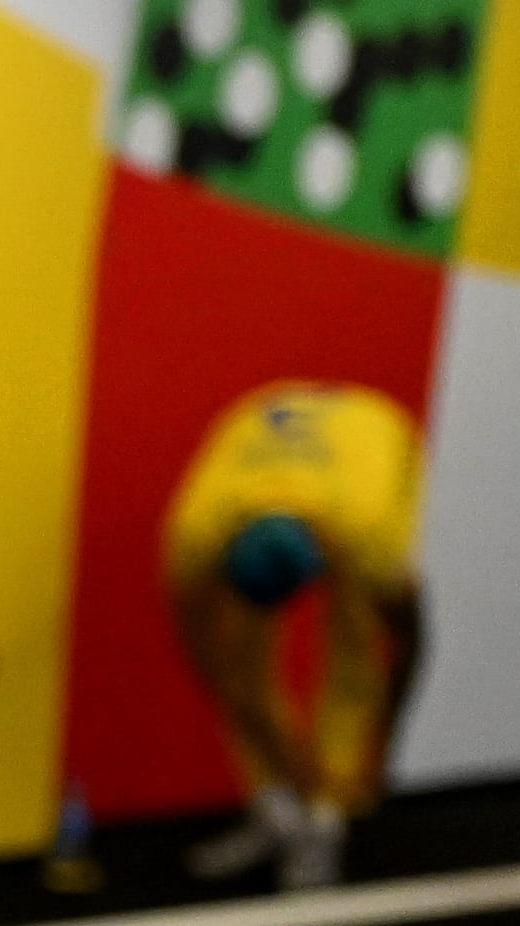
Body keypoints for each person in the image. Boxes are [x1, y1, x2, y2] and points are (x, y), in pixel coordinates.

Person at [162, 378, 426, 890]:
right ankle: (278, 808)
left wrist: (381, 747)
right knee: (238, 662)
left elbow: (411, 643)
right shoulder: (196, 532)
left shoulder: (368, 532)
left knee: (356, 644)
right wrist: (282, 755)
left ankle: (325, 819)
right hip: (264, 419)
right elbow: (206, 660)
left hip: (374, 435)